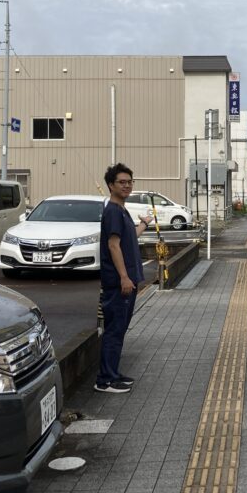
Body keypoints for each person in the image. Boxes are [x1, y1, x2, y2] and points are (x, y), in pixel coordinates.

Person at [94, 163, 153, 394]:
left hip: (126, 281)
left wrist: (143, 224)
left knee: (119, 330)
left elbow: (128, 238)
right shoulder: (112, 211)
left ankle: (113, 373)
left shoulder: (121, 210)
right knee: (114, 330)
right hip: (119, 283)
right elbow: (113, 245)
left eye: (130, 182)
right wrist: (124, 277)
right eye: (122, 182)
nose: (127, 185)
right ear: (111, 185)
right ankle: (105, 380)